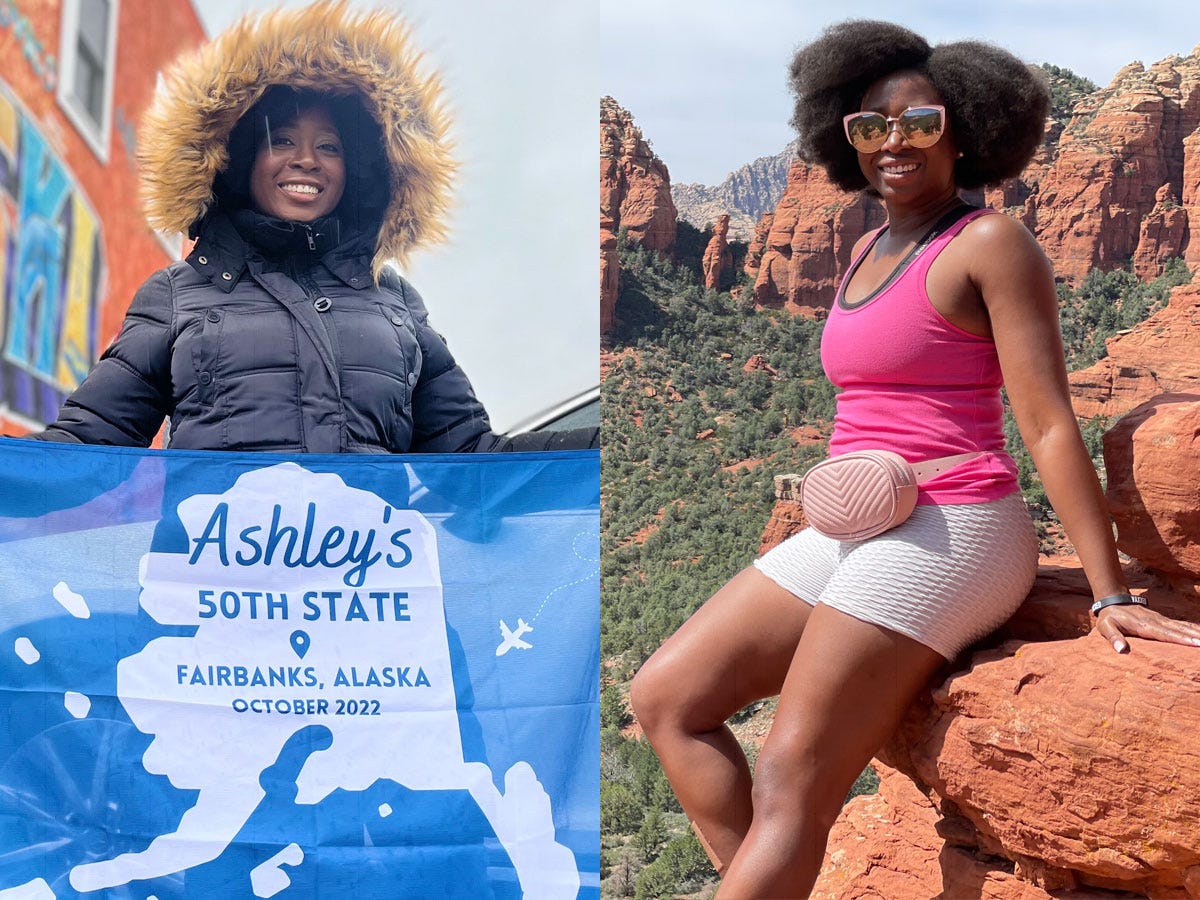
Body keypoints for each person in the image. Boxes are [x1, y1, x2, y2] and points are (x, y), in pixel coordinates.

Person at [629, 20, 1200, 899]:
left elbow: (1047, 424)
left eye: (918, 122)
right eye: (870, 126)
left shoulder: (988, 245)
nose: (893, 141)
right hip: (858, 524)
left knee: (790, 773)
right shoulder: (864, 248)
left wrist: (1110, 593)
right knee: (667, 699)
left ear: (963, 131)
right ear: (843, 137)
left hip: (956, 528)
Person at [32, 1, 595, 455]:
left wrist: (599, 451)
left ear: (356, 172)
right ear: (242, 160)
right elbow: (83, 445)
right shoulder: (177, 295)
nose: (307, 160)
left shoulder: (393, 301)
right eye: (283, 141)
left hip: (367, 593)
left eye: (329, 147)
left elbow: (472, 456)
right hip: (216, 592)